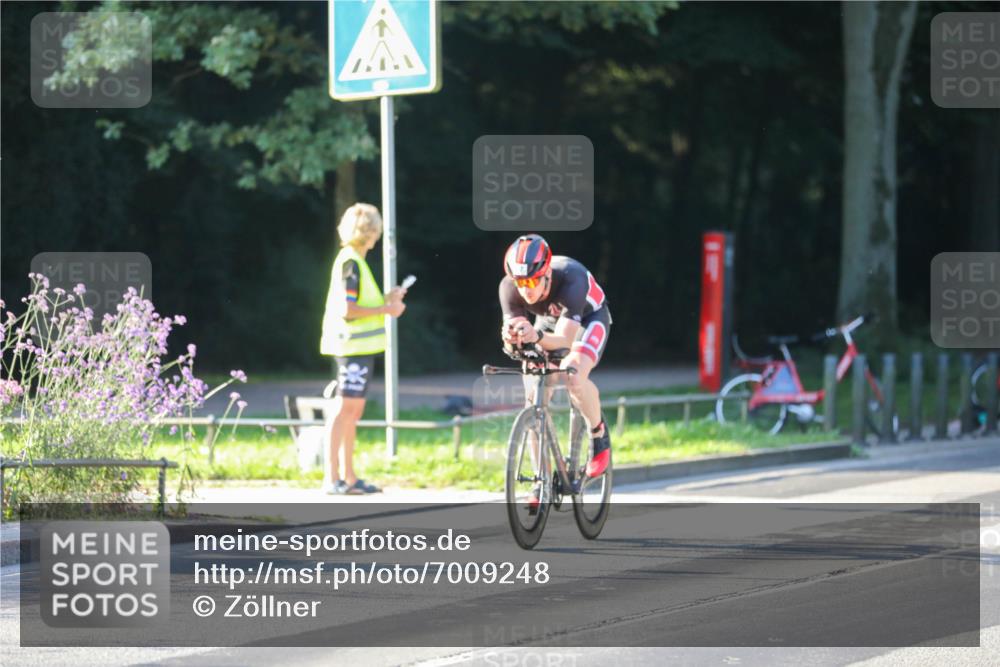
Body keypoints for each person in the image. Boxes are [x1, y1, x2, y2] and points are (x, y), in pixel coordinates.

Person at [498, 234, 612, 483]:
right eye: (520, 282)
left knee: (573, 375)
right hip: (548, 322)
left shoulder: (573, 279)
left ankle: (598, 434)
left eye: (531, 281)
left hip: (587, 319)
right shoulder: (509, 288)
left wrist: (536, 335)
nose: (525, 289)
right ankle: (542, 482)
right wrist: (511, 337)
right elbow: (514, 335)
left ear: (546, 272)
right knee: (533, 395)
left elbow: (565, 341)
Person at [319, 203, 406, 495]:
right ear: (372, 232)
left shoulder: (354, 260)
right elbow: (348, 309)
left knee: (352, 412)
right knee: (344, 409)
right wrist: (388, 308)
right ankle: (333, 478)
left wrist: (385, 298)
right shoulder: (351, 263)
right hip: (351, 348)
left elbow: (357, 303)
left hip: (359, 349)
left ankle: (349, 477)